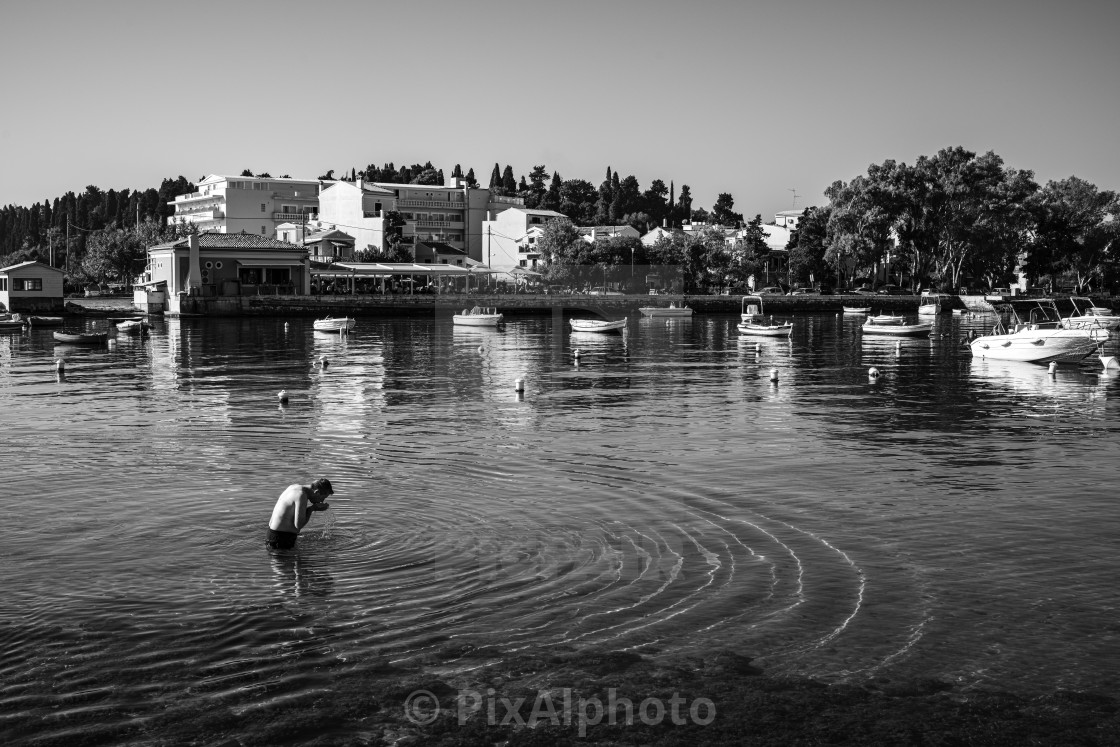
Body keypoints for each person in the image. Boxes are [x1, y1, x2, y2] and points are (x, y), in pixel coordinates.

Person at [267, 478, 333, 550]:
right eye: (323, 498)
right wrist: (312, 509)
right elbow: (298, 525)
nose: (322, 501)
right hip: (281, 538)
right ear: (317, 492)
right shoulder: (301, 495)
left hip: (272, 534)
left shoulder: (294, 487)